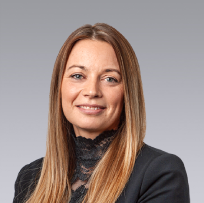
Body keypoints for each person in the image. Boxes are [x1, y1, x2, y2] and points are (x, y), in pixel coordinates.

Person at [13, 23, 190, 203]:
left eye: (109, 79)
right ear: (58, 87)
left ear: (127, 93)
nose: (92, 91)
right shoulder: (30, 178)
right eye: (78, 76)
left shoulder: (160, 173)